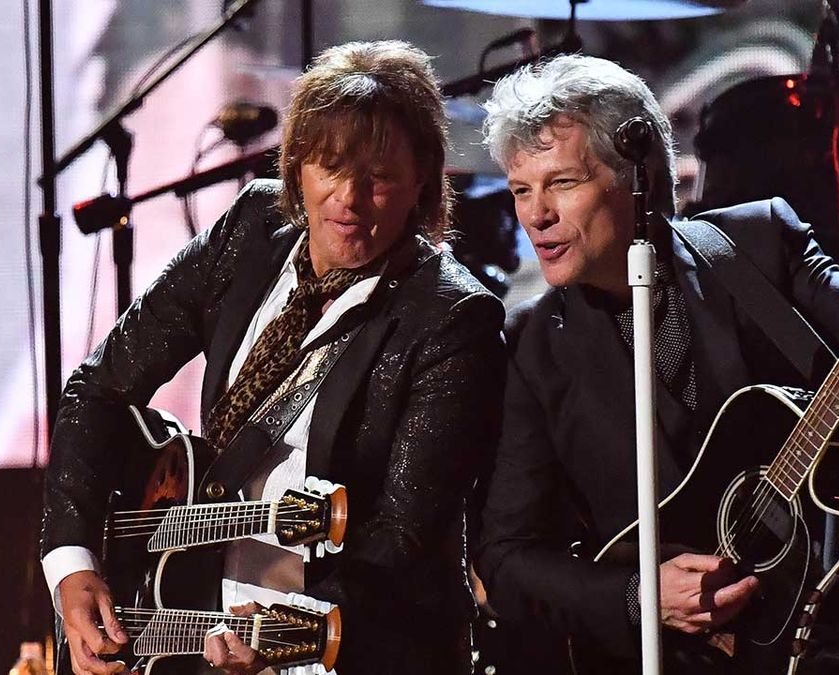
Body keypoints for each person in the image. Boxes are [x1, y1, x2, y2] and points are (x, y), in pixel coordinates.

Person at [474, 54, 839, 674]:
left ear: (641, 177)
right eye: (523, 189)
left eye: (562, 183)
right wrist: (639, 597)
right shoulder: (530, 346)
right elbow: (508, 557)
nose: (535, 215)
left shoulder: (758, 241)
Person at [40, 40, 505, 675]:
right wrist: (73, 561)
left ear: (422, 179)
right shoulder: (250, 229)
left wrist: (282, 641)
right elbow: (98, 388)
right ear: (296, 168)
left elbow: (403, 540)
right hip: (191, 631)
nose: (349, 198)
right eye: (330, 168)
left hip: (348, 650)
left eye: (379, 176)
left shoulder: (452, 317)